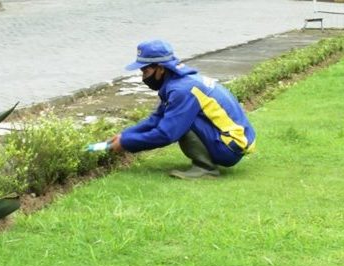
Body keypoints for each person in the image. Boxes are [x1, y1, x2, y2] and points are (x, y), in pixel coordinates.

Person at [110, 39, 257, 180]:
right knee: (176, 118)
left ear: (160, 68)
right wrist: (125, 135)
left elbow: (166, 134)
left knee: (180, 123)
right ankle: (206, 165)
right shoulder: (182, 82)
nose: (143, 77)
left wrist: (127, 143)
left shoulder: (182, 90)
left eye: (145, 71)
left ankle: (206, 169)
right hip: (235, 142)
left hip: (230, 149)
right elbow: (157, 118)